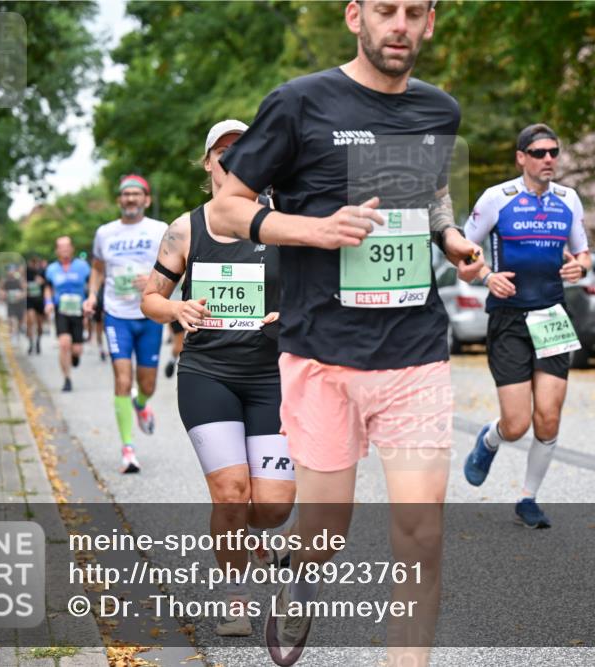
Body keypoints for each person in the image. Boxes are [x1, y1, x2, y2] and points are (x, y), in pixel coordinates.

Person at [213, 2, 483, 664]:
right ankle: (299, 567)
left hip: (413, 352)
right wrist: (315, 229)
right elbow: (228, 206)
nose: (400, 25)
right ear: (354, 16)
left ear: (431, 23)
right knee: (326, 534)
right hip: (320, 355)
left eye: (414, 13)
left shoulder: (439, 110)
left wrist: (449, 237)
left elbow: (429, 193)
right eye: (385, 10)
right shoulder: (300, 103)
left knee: (420, 534)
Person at [142, 119, 294, 637]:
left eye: (242, 148)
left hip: (272, 376)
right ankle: (236, 598)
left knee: (272, 507)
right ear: (207, 162)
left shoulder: (280, 223)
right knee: (231, 494)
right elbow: (150, 298)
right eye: (221, 150)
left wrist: (290, 317)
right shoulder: (185, 229)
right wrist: (176, 307)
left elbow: (313, 291)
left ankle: (258, 539)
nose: (231, 156)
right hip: (208, 373)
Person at [462, 123, 591, 528]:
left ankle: (527, 499)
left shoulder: (569, 200)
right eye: (539, 153)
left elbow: (583, 252)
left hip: (552, 315)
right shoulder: (497, 199)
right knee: (517, 425)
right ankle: (491, 438)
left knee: (548, 418)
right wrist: (486, 277)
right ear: (522, 158)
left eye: (553, 151)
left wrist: (579, 267)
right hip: (509, 317)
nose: (548, 158)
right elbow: (462, 258)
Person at [84, 175, 167, 474]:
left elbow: (177, 266)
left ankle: (141, 403)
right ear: (119, 200)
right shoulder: (105, 233)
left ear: (147, 199)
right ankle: (128, 449)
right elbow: (97, 268)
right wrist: (92, 295)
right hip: (117, 315)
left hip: (150, 315)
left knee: (147, 384)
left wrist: (154, 281)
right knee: (122, 380)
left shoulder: (161, 230)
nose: (130, 199)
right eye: (125, 194)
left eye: (136, 194)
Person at [45, 237, 91, 392]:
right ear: (57, 250)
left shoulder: (82, 266)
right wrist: (48, 303)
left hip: (79, 310)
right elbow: (48, 289)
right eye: (61, 247)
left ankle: (75, 356)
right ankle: (67, 379)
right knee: (64, 343)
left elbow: (91, 285)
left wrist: (91, 302)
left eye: (67, 247)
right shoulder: (51, 269)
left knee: (76, 349)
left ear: (72, 248)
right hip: (61, 310)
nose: (64, 250)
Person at [25, 256, 47, 354]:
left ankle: (38, 342)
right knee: (30, 321)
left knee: (39, 324)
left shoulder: (43, 272)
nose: (34, 265)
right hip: (29, 300)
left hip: (40, 300)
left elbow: (48, 285)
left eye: (35, 263)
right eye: (32, 262)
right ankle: (31, 344)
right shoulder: (26, 272)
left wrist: (42, 282)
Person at [1, 264, 26, 342]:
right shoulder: (5, 281)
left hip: (20, 303)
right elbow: (1, 290)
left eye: (12, 270)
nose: (10, 272)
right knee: (11, 320)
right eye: (9, 271)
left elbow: (25, 291)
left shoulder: (20, 280)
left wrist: (20, 295)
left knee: (20, 320)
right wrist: (4, 295)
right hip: (10, 303)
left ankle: (18, 333)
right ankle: (13, 336)